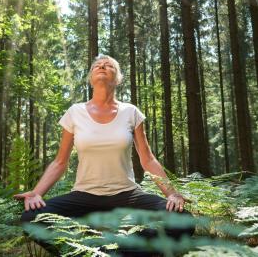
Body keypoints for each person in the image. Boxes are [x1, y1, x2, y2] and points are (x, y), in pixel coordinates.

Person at [14, 55, 194, 255]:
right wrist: (37, 192)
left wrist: (172, 194)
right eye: (97, 65)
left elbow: (148, 159)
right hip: (84, 195)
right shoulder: (75, 112)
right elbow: (60, 161)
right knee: (31, 218)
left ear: (117, 79)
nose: (102, 66)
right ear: (91, 77)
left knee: (183, 220)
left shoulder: (130, 112)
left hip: (127, 195)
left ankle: (115, 252)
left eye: (108, 65)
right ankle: (86, 253)